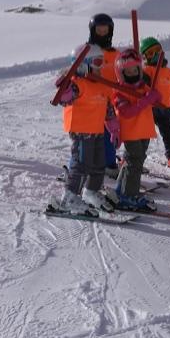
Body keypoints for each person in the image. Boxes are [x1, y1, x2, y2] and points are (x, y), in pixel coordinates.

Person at [55, 44, 115, 215]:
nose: (101, 66)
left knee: (98, 164)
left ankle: (91, 192)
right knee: (81, 165)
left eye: (103, 62)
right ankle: (70, 197)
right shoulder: (77, 84)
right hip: (81, 132)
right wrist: (64, 86)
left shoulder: (102, 85)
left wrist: (113, 126)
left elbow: (108, 108)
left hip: (96, 131)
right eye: (98, 62)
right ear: (84, 64)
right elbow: (64, 99)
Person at [110, 49, 162, 210]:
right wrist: (146, 100)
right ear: (121, 73)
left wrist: (153, 95)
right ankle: (129, 195)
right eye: (128, 71)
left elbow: (157, 98)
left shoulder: (142, 86)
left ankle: (121, 189)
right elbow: (127, 112)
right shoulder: (119, 92)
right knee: (135, 162)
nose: (132, 74)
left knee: (133, 160)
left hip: (144, 130)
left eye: (135, 70)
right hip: (131, 132)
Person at [86, 13, 122, 179]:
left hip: (110, 101)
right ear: (93, 31)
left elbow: (124, 74)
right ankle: (84, 164)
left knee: (109, 133)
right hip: (90, 100)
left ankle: (109, 164)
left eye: (105, 30)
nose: (102, 33)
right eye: (99, 30)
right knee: (88, 134)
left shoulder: (115, 54)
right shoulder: (87, 51)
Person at [140, 37, 170, 169]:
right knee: (143, 133)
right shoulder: (146, 70)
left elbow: (169, 91)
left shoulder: (169, 71)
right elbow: (142, 86)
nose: (156, 55)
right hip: (150, 108)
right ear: (144, 57)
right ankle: (134, 158)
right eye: (151, 53)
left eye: (157, 50)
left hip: (164, 108)